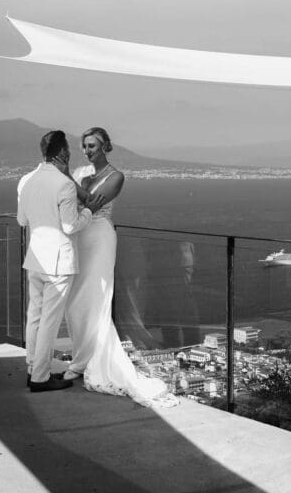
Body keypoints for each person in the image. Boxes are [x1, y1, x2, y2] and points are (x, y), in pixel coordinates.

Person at [63, 126, 177, 408]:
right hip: (78, 237)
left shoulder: (116, 176)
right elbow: (75, 200)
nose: (87, 150)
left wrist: (66, 179)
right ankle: (82, 357)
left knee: (97, 299)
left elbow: (90, 201)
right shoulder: (79, 173)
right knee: (75, 302)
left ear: (105, 147)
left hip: (100, 238)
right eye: (85, 146)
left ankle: (87, 362)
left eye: (92, 146)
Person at [17, 129, 95, 392]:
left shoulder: (28, 181)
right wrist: (88, 212)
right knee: (50, 320)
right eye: (69, 150)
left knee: (35, 317)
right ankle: (40, 377)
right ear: (62, 153)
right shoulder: (63, 184)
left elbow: (21, 221)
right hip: (58, 263)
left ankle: (32, 367)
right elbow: (71, 226)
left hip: (35, 260)